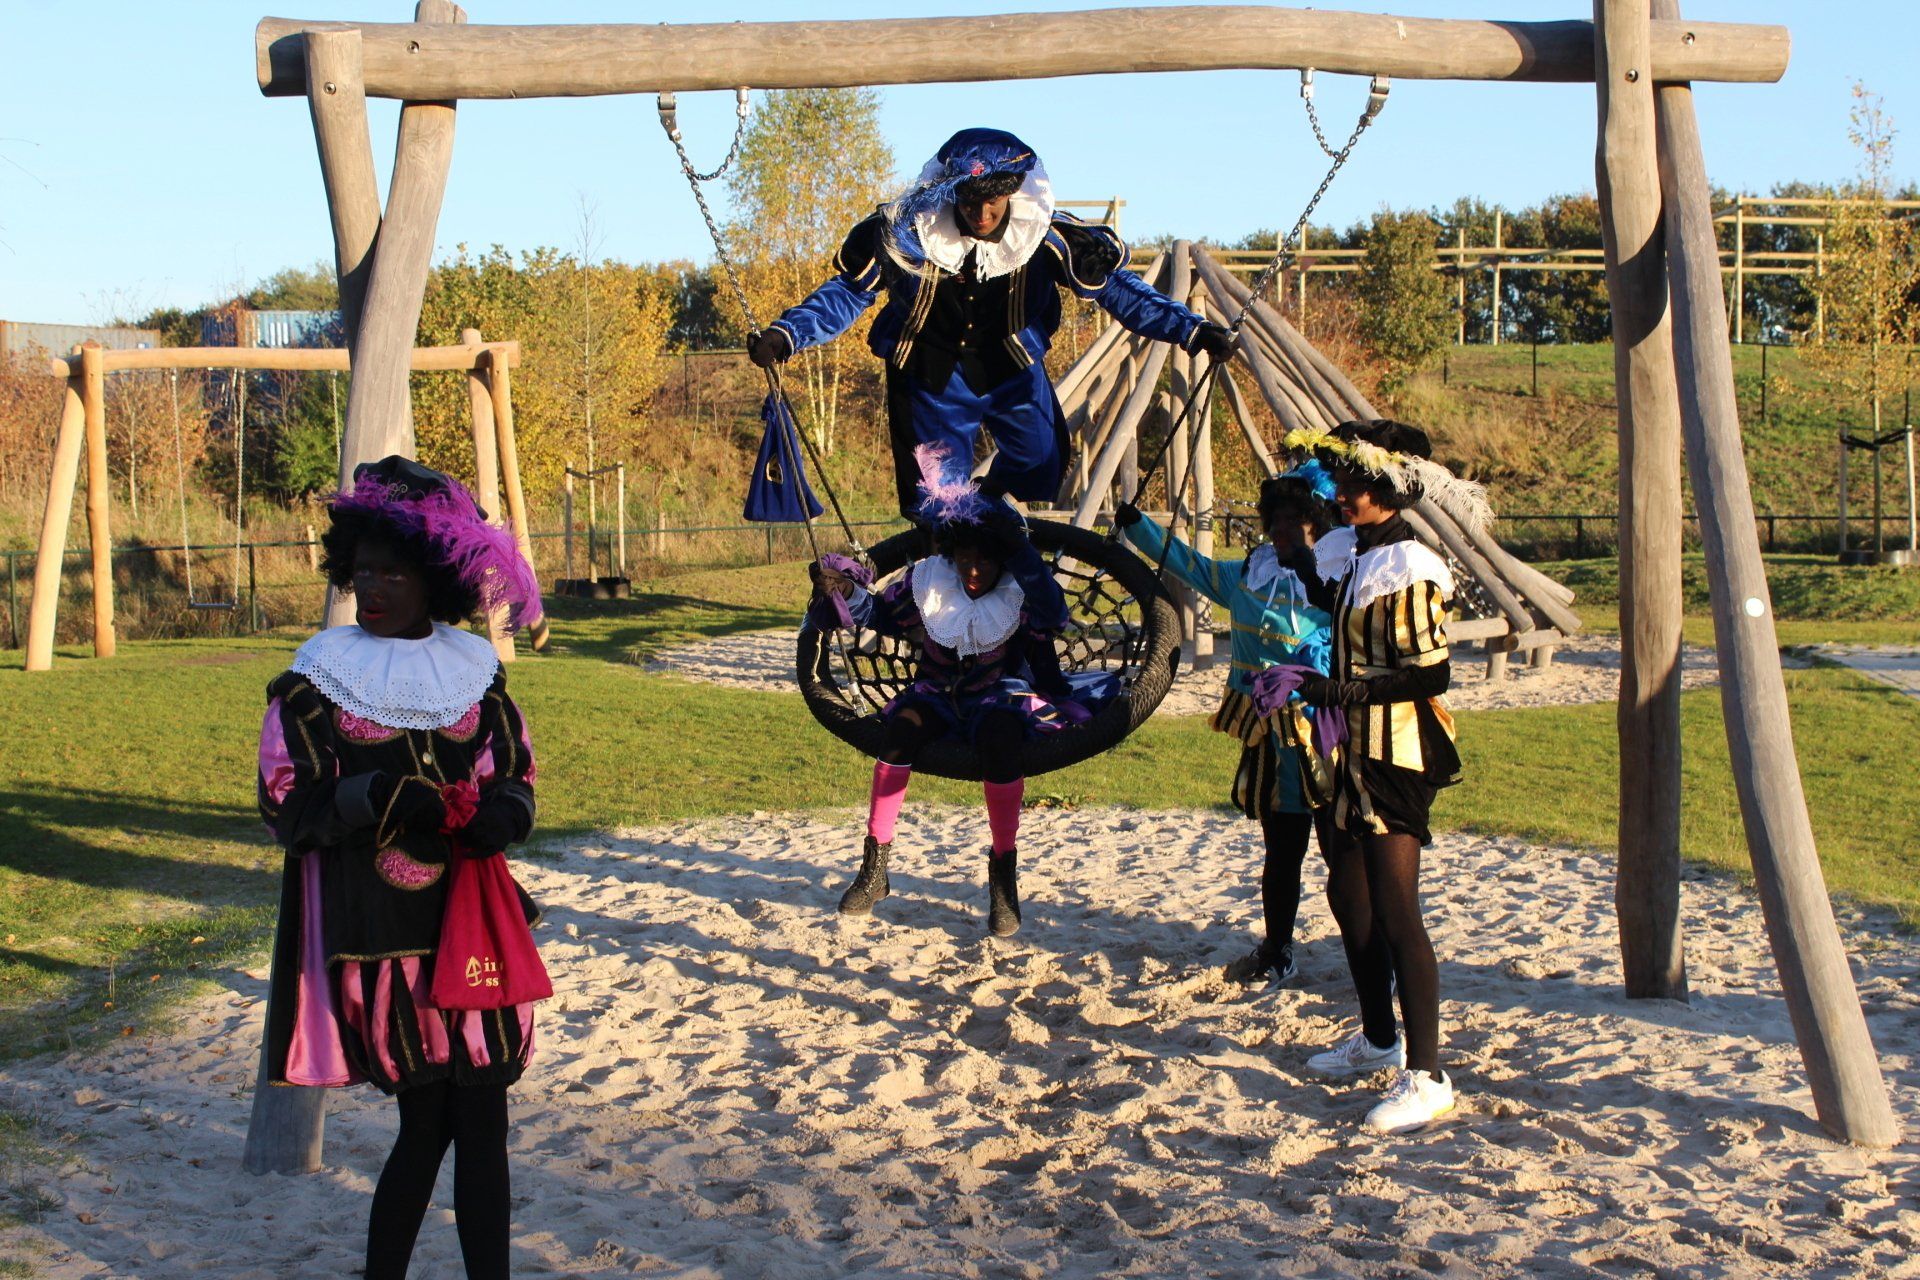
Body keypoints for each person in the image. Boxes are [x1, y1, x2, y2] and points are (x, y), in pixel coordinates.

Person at [257, 456, 545, 1279]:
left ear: (436, 580)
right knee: (427, 1123)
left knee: (482, 1121)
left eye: (394, 573)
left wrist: (501, 815)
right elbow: (289, 804)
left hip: (476, 927)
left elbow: (513, 771)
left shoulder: (474, 674)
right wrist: (375, 795)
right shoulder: (315, 684)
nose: (372, 587)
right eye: (363, 571)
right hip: (385, 939)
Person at [748, 127, 1235, 516]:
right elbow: (848, 293)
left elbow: (1119, 290)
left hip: (1011, 367)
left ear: (1012, 194)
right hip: (931, 375)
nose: (981, 214)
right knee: (940, 503)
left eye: (993, 203)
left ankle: (992, 519)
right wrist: (787, 334)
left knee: (1041, 459)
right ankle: (947, 586)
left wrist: (1191, 330)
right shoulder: (907, 236)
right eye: (969, 202)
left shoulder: (1045, 238)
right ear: (950, 194)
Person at [1273, 419, 1486, 1134]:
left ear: (1391, 489)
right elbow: (1338, 616)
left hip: (1396, 751)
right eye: (1339, 479)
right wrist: (1300, 564)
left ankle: (1427, 1076)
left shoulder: (1411, 565)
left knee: (1397, 910)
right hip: (1348, 745)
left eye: (1354, 482)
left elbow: (1431, 673)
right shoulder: (1356, 551)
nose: (1341, 492)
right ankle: (1376, 1037)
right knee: (1346, 892)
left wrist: (1343, 691)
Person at [808, 447, 1115, 936]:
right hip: (934, 693)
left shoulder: (1018, 591)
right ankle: (874, 866)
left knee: (1000, 740)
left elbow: (1054, 615)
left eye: (984, 561)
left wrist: (1019, 555)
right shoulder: (931, 581)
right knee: (899, 734)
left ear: (1002, 560)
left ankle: (1003, 876)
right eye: (965, 559)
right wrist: (845, 592)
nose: (973, 572)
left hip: (998, 694)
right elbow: (881, 615)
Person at [1113, 464, 1340, 989]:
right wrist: (1139, 527)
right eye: (1275, 520)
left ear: (1317, 524)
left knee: (1342, 855)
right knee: (1281, 852)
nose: (1279, 531)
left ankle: (1372, 956)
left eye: (1294, 521)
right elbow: (1191, 566)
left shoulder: (1336, 582)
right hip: (1269, 739)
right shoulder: (1248, 576)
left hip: (1328, 735)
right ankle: (1278, 949)